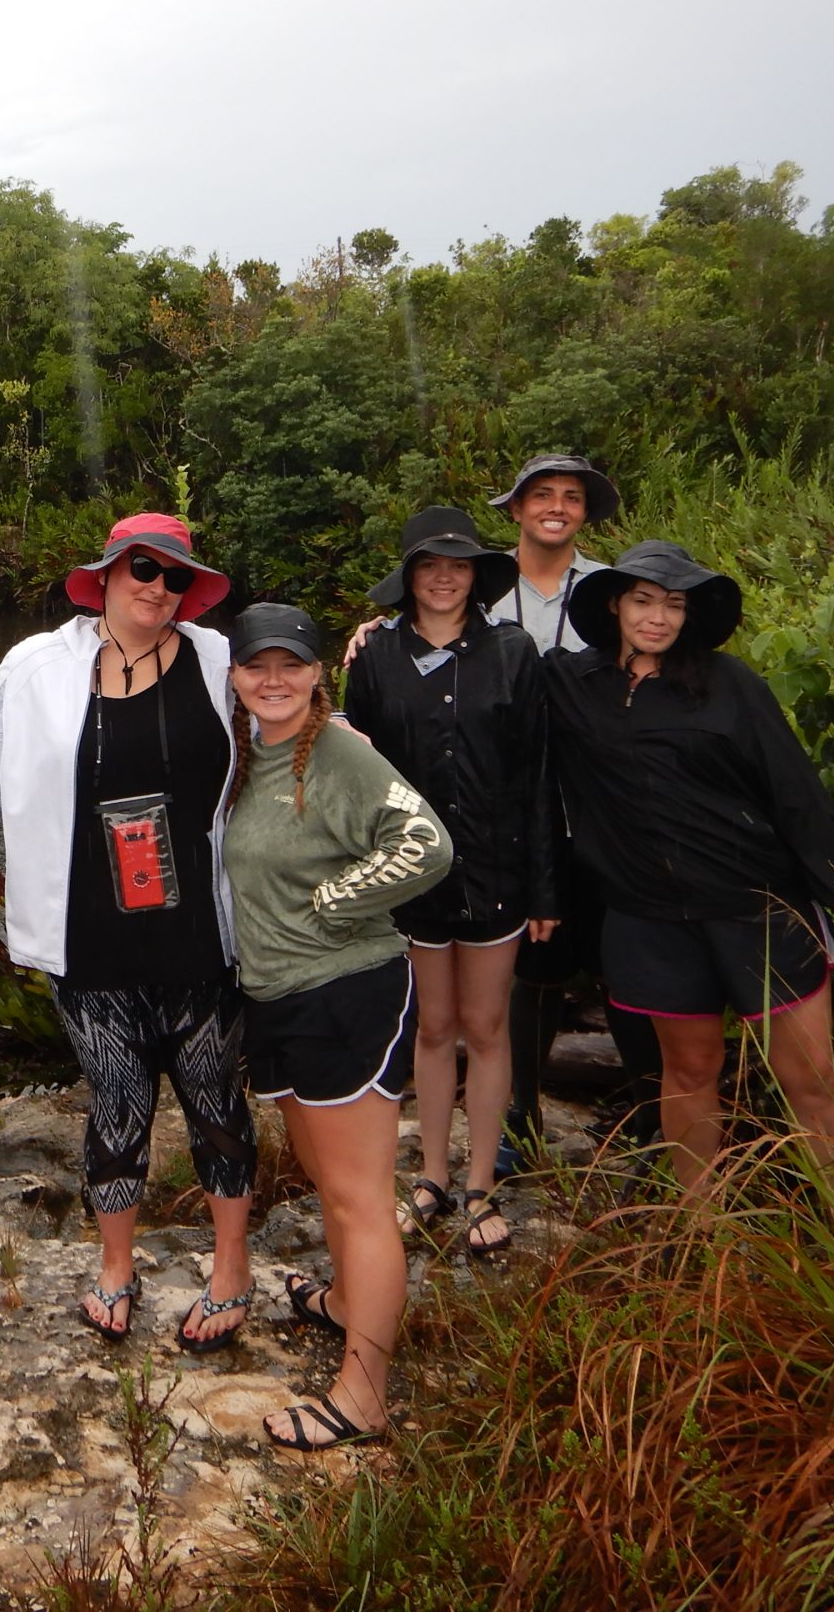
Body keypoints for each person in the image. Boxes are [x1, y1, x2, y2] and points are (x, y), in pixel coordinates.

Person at [0, 513, 262, 1351]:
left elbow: (291, 712)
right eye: (142, 569)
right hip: (86, 933)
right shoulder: (34, 667)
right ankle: (117, 1267)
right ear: (108, 574)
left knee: (215, 1102)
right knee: (118, 1103)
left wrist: (347, 708)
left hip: (201, 926)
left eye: (173, 577)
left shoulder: (218, 659)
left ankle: (231, 1267)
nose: (157, 588)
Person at [543, 542, 834, 1192]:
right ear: (616, 603)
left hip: (757, 909)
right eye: (643, 601)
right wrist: (384, 635)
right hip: (651, 919)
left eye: (673, 605)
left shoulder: (731, 687)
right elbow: (480, 680)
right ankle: (705, 1237)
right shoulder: (572, 685)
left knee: (809, 1078)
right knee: (690, 1072)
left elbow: (797, 795)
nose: (657, 618)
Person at [345, 452, 660, 1164]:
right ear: (515, 510)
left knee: (618, 966)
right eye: (541, 495)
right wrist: (371, 635)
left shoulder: (606, 594)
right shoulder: (433, 626)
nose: (556, 507)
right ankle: (510, 1126)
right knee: (515, 989)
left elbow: (646, 662)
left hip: (592, 814)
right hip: (465, 842)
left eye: (571, 496)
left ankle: (645, 1122)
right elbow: (369, 740)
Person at [222, 603, 454, 1450]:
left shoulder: (344, 753)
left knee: (361, 1200)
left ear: (319, 673)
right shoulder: (249, 754)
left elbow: (427, 842)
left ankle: (363, 1396)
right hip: (277, 999)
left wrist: (334, 900)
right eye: (257, 666)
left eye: (291, 664)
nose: (273, 680)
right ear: (237, 676)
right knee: (328, 1180)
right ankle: (353, 1302)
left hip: (349, 993)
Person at [341, 508, 556, 1257]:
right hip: (411, 876)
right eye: (429, 564)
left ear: (475, 575)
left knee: (488, 1028)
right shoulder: (374, 657)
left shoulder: (513, 651)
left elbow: (538, 776)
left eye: (458, 564)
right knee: (433, 1029)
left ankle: (481, 1184)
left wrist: (544, 891)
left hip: (497, 866)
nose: (443, 576)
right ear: (408, 576)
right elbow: (352, 774)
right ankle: (431, 1177)